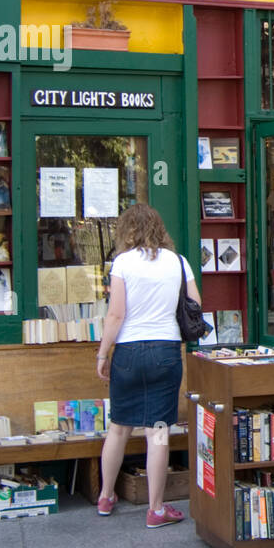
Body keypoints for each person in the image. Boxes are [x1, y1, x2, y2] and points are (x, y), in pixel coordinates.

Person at [94, 203, 199, 528]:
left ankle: (106, 496)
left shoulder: (122, 263)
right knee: (158, 431)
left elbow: (116, 315)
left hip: (128, 350)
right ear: (159, 228)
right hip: (166, 349)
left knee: (119, 427)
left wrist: (102, 353)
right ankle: (155, 508)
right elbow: (196, 304)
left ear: (126, 229)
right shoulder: (179, 262)